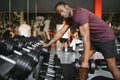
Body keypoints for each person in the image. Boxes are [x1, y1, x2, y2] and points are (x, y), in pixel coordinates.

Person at [41, 1, 120, 80]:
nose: (61, 14)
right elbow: (60, 32)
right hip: (94, 40)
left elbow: (86, 37)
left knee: (111, 66)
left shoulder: (80, 14)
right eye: (59, 13)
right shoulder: (70, 19)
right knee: (81, 61)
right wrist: (48, 44)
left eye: (61, 11)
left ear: (67, 6)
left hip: (105, 38)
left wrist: (86, 61)